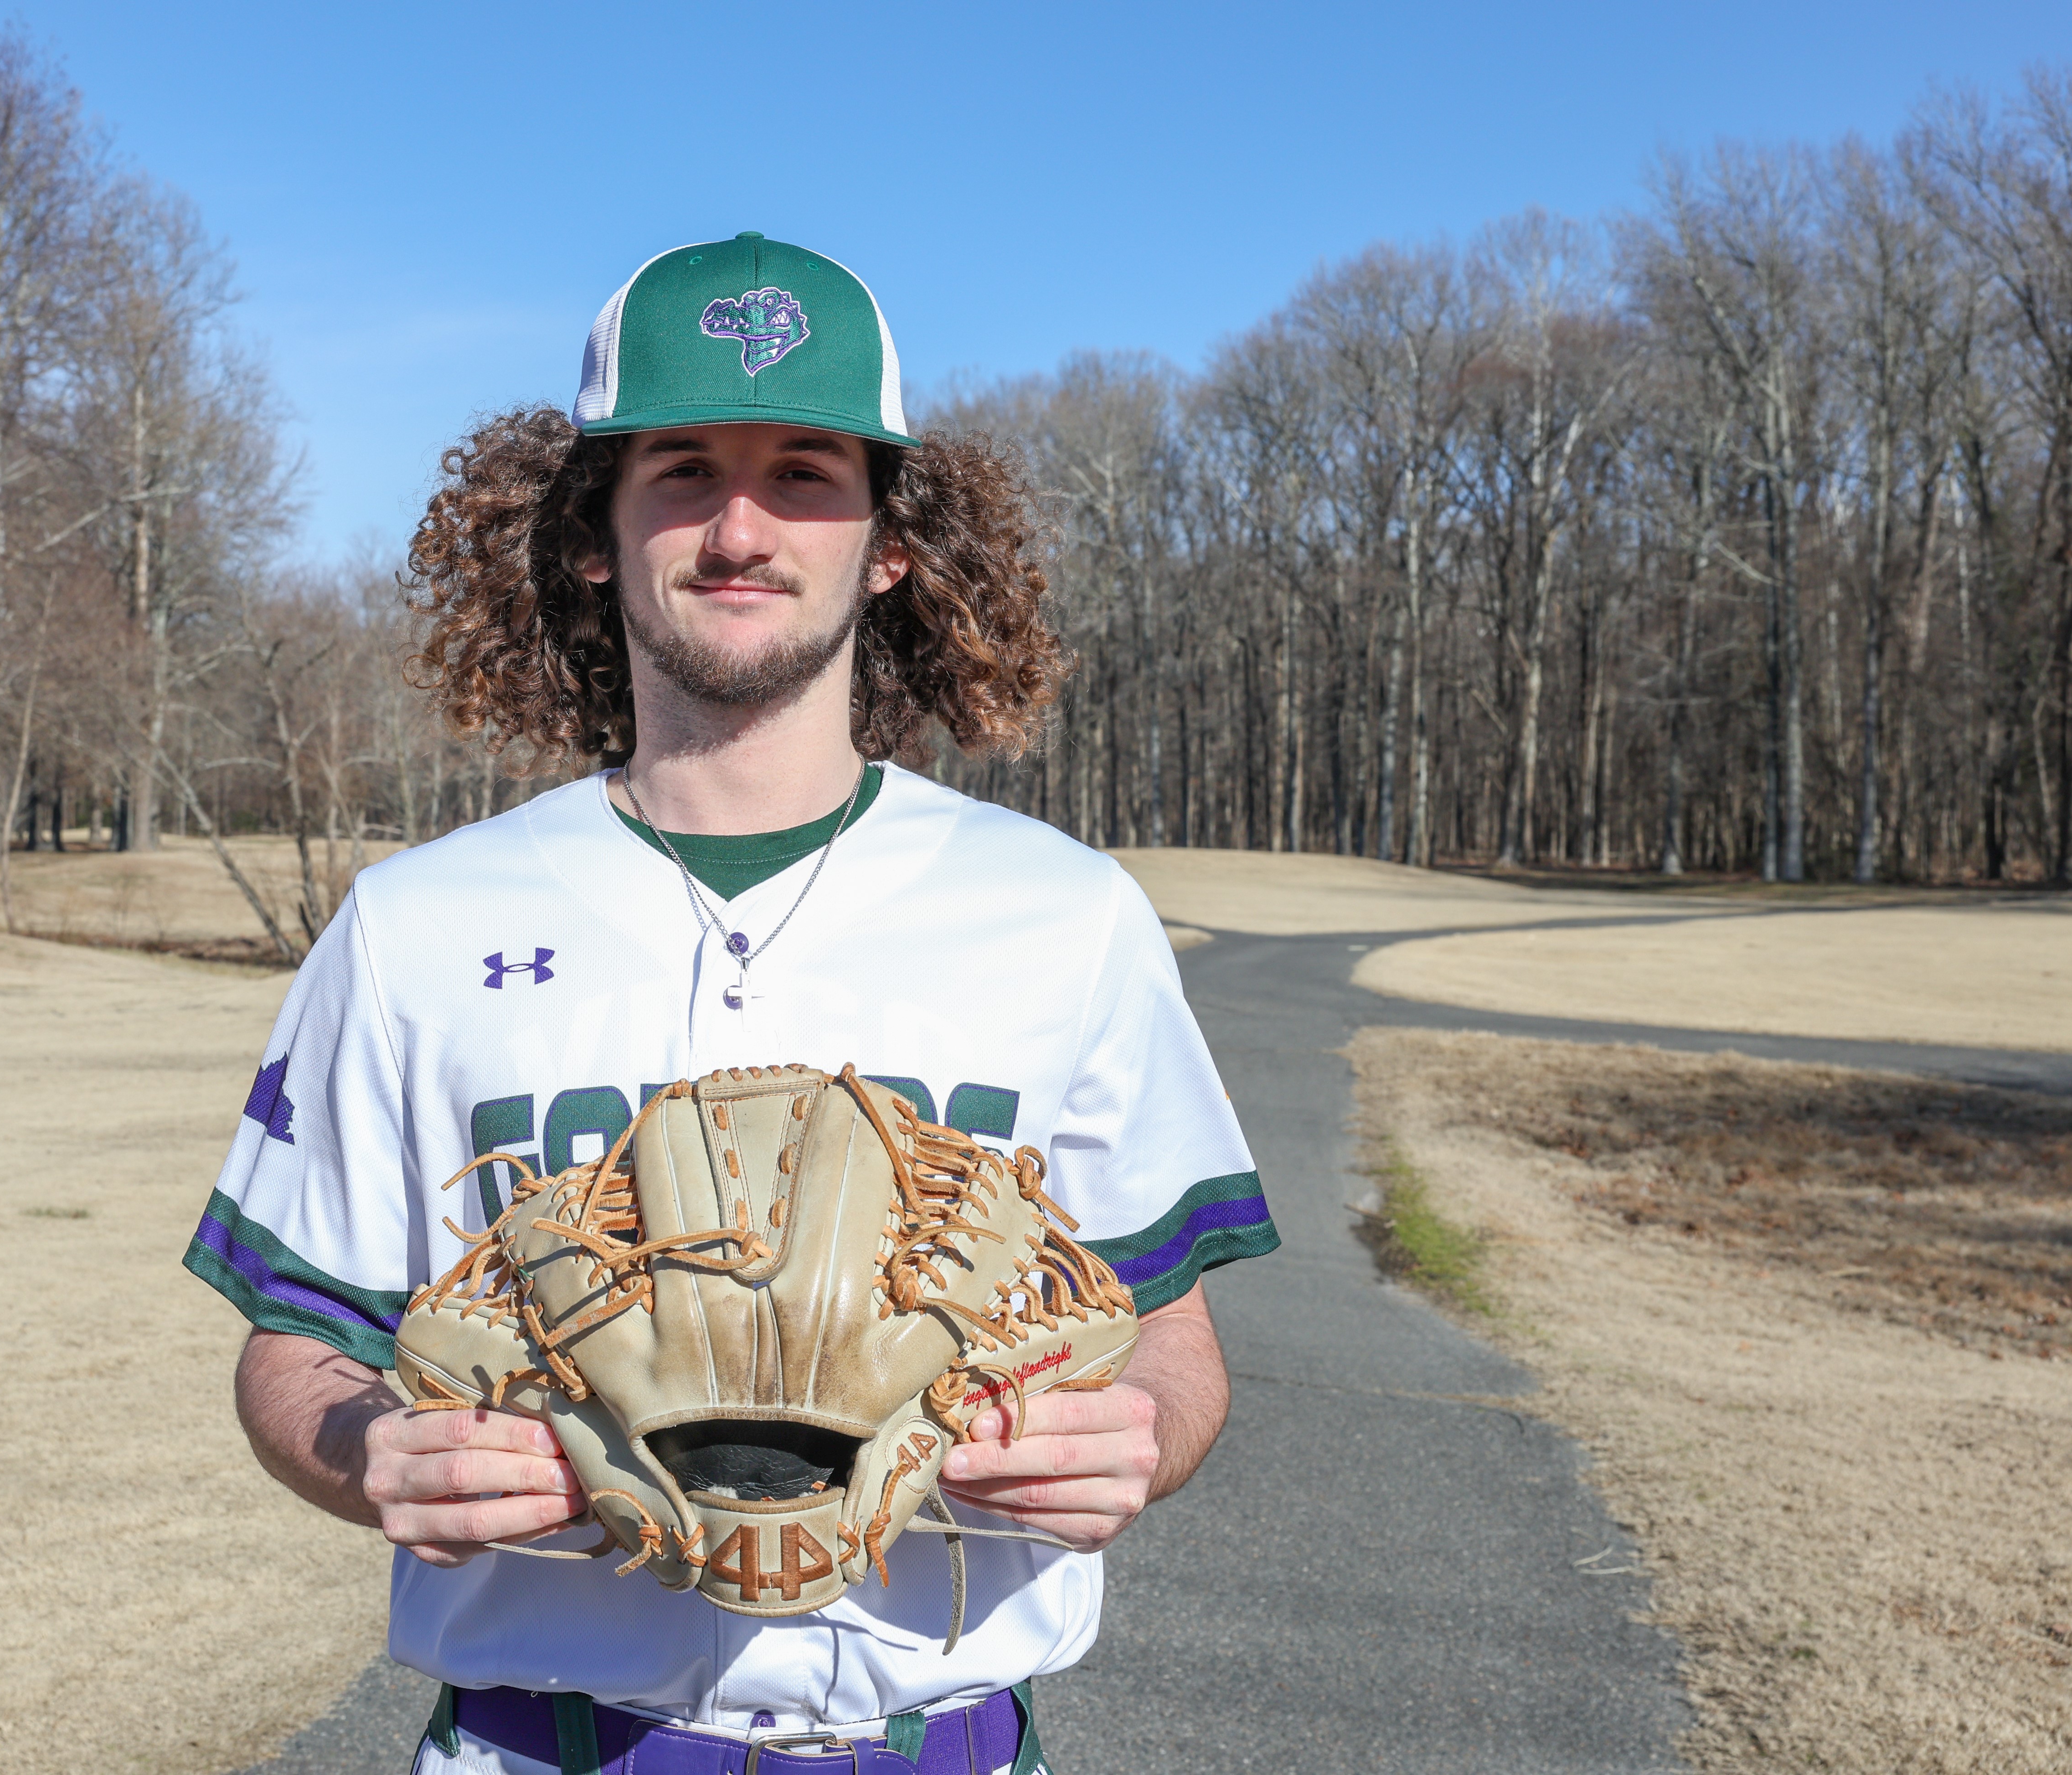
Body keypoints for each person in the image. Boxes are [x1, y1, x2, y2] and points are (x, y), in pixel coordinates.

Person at [186, 232, 1278, 1775]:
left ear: (891, 540)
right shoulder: (419, 925)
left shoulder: (1062, 914)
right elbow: (299, 1344)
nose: (742, 526)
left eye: (806, 472)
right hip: (535, 1743)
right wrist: (376, 1451)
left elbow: (1172, 1336)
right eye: (684, 470)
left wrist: (1141, 1437)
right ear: (595, 535)